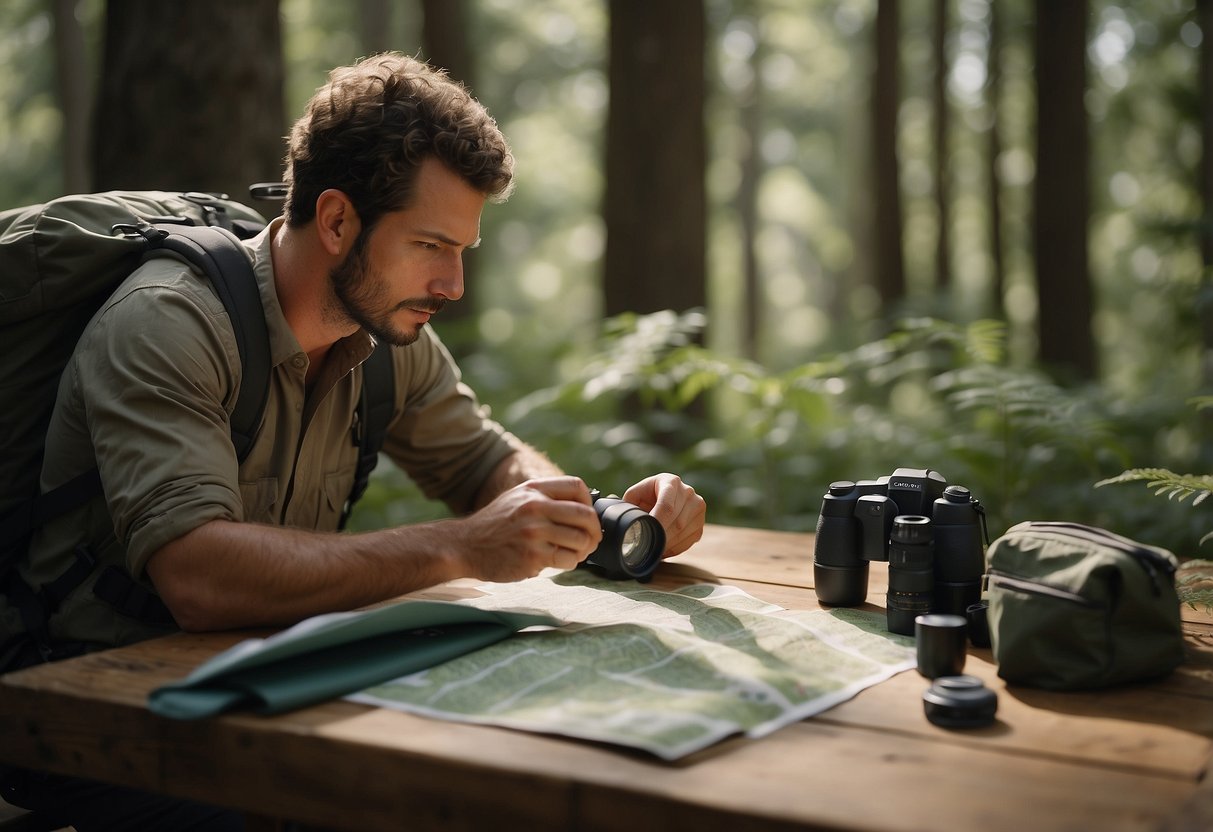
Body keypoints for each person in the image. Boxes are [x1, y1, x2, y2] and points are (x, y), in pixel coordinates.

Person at [1, 52, 706, 830]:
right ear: (337, 220)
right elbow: (197, 578)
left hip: (257, 682)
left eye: (462, 252)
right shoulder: (171, 321)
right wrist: (463, 547)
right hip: (80, 702)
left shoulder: (385, 338)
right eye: (430, 246)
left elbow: (482, 462)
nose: (452, 285)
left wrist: (593, 516)